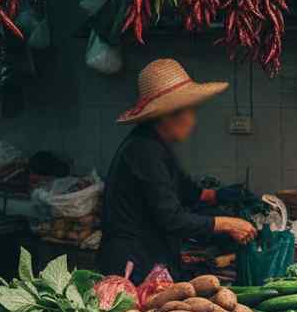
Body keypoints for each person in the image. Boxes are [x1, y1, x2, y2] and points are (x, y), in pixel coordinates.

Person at [98, 59, 256, 279]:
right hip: (131, 264)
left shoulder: (158, 146)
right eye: (190, 112)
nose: (193, 121)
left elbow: (190, 192)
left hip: (153, 258)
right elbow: (172, 218)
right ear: (167, 115)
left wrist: (223, 196)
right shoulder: (144, 151)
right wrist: (228, 224)